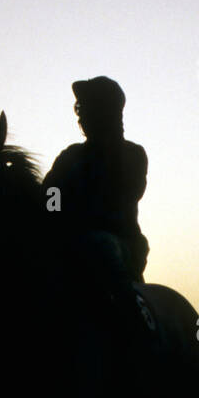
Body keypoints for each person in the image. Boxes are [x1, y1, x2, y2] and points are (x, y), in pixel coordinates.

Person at [43, 77, 150, 334]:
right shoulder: (70, 156)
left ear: (109, 114)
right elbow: (49, 198)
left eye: (89, 111)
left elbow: (121, 199)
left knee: (100, 244)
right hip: (69, 242)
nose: (82, 119)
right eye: (82, 111)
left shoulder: (132, 155)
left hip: (117, 245)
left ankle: (134, 329)